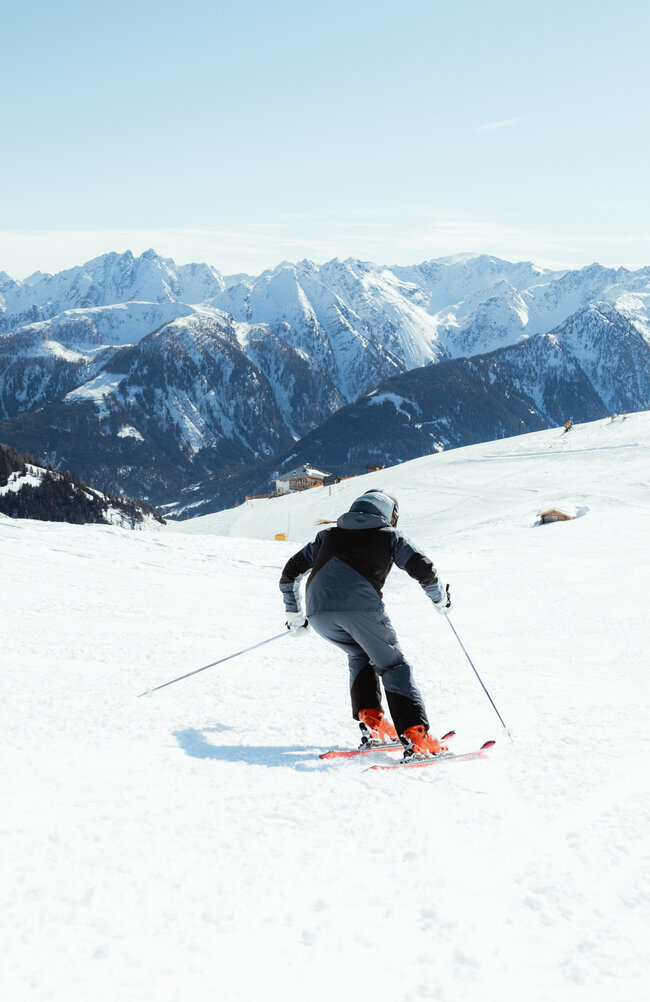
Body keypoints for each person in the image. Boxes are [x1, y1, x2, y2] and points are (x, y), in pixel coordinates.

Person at [279, 488, 452, 758]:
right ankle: (417, 738)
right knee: (393, 665)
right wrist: (441, 600)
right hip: (360, 610)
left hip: (318, 613)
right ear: (390, 516)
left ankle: (375, 725)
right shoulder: (390, 536)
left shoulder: (328, 535)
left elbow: (290, 574)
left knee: (360, 653)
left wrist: (296, 617)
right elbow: (424, 569)